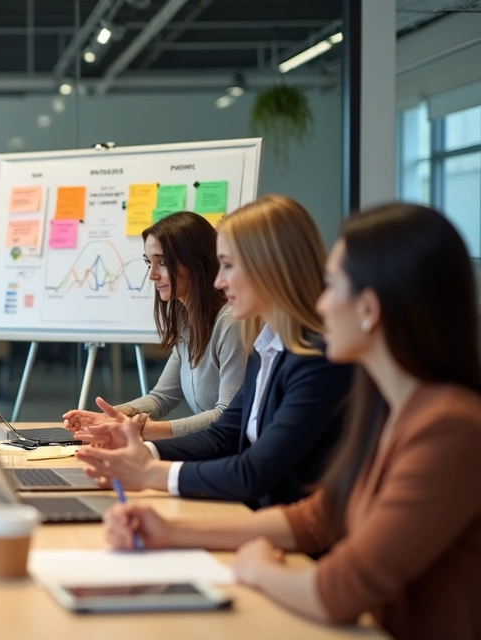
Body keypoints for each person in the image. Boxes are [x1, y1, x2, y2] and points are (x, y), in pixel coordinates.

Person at [102, 204, 481, 638]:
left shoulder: (448, 427)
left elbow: (339, 590)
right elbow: (317, 518)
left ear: (369, 309)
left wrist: (259, 568)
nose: (318, 302)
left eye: (331, 286)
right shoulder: (387, 409)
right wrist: (168, 531)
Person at [75, 195, 352, 508]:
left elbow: (253, 471)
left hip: (277, 526)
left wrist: (151, 470)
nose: (219, 281)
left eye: (229, 266)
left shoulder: (318, 362)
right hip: (256, 516)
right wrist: (139, 447)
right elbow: (224, 435)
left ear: (271, 268)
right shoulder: (266, 348)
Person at [63, 212, 247, 440]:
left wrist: (147, 430)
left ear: (196, 262)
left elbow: (227, 416)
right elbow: (161, 397)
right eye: (148, 263)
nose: (152, 275)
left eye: (162, 262)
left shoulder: (231, 322)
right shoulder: (186, 321)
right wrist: (113, 416)